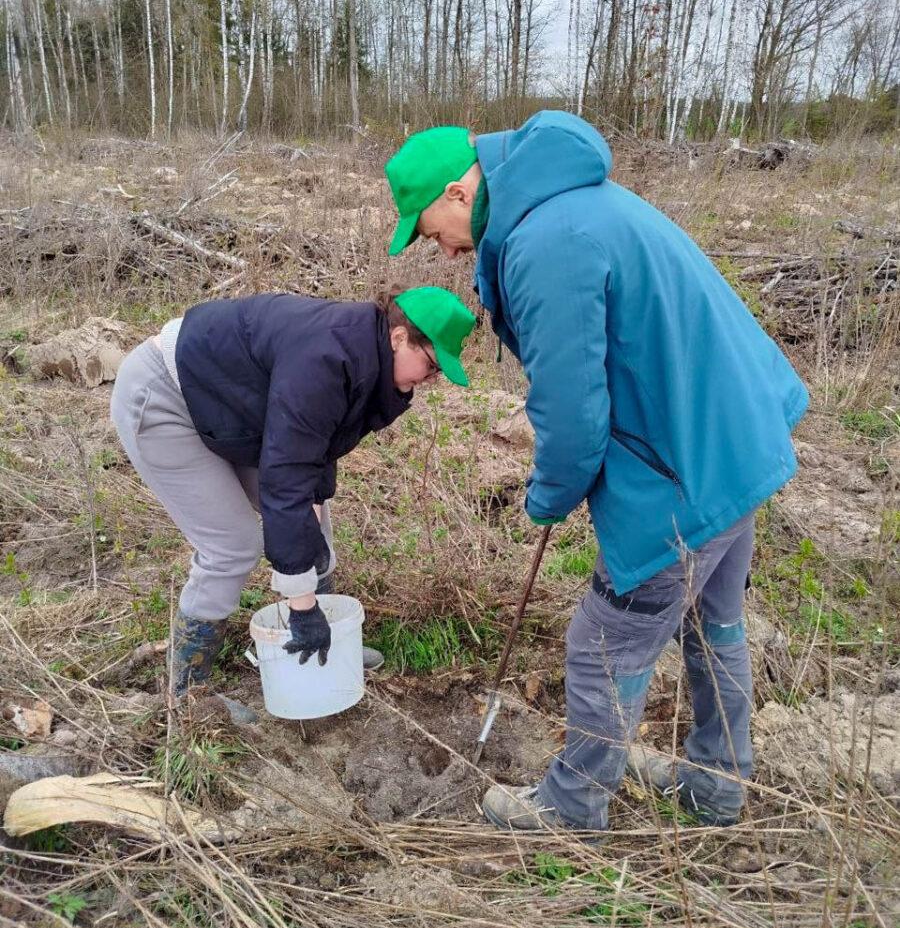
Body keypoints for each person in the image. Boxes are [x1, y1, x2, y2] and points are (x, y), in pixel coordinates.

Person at [385, 113, 808, 832]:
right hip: (731, 443)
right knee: (713, 624)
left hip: (683, 471)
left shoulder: (545, 243)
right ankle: (715, 782)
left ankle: (574, 804)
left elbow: (573, 413)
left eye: (431, 233)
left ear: (459, 193)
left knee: (599, 645)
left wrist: (548, 496)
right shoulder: (573, 203)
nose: (446, 254)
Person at [111, 286, 476, 721]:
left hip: (231, 407)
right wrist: (300, 606)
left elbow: (314, 445)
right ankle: (188, 698)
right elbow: (285, 477)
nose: (430, 381)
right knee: (233, 546)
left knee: (314, 523)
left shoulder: (363, 356)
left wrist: (313, 513)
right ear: (399, 337)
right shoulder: (327, 358)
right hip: (166, 398)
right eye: (431, 367)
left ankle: (331, 641)